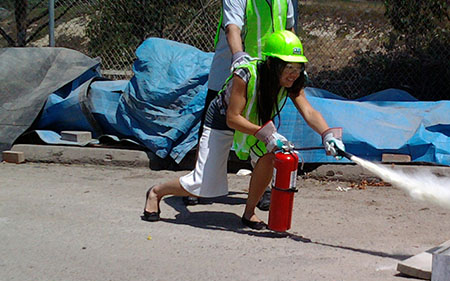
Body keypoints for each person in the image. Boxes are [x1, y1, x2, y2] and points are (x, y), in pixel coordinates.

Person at [142, 30, 345, 230]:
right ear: (273, 64)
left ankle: (249, 213)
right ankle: (156, 192)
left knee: (271, 156)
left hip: (257, 121)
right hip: (223, 119)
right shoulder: (246, 74)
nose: (294, 73)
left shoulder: (294, 81)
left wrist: (327, 134)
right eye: (289, 67)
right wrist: (267, 135)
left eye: (298, 67)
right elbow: (233, 118)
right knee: (203, 184)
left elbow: (308, 111)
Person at [185, 0, 296, 208]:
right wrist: (238, 57)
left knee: (265, 131)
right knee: (214, 134)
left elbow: (290, 28)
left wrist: (291, 64)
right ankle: (198, 185)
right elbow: (232, 27)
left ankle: (264, 190)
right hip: (231, 73)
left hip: (266, 77)